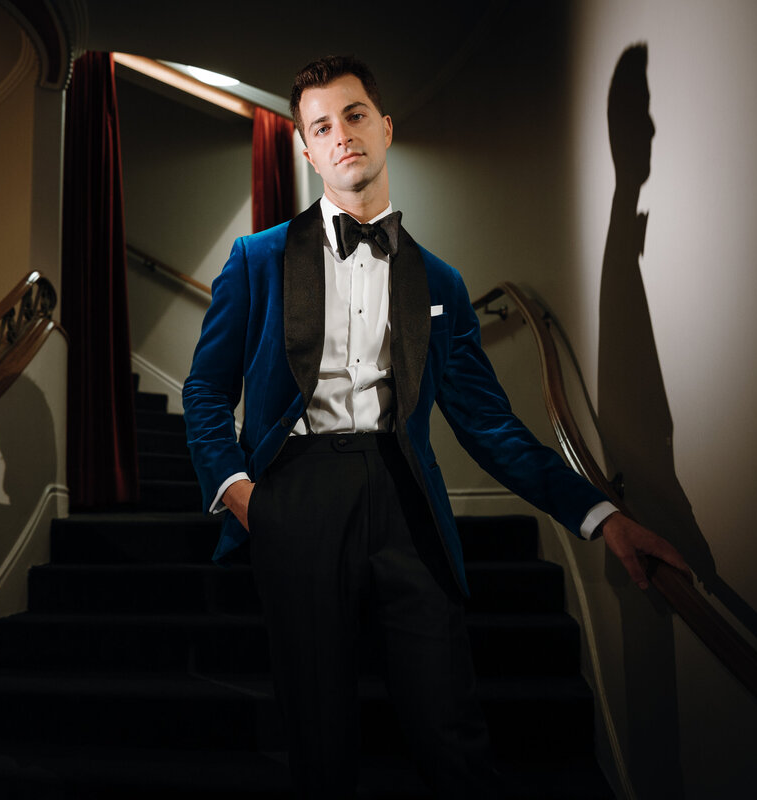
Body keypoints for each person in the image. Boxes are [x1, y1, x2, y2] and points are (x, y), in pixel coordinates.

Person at [181, 55, 689, 798]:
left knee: (450, 732)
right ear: (307, 148)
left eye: (355, 116)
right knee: (319, 744)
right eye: (322, 125)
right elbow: (203, 391)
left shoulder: (441, 283)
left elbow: (491, 426)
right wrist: (241, 493)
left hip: (405, 496)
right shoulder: (256, 261)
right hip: (297, 496)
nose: (342, 135)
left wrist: (599, 514)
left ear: (384, 128)